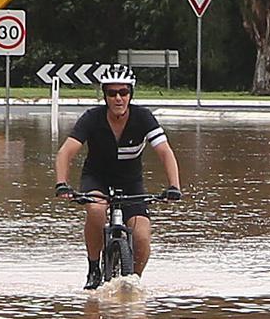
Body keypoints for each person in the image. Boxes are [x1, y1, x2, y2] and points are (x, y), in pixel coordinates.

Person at [54, 64, 183, 289]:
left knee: (142, 236)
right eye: (112, 93)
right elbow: (66, 152)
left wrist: (174, 186)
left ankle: (133, 280)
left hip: (131, 182)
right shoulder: (92, 118)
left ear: (130, 94)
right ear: (104, 96)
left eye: (123, 92)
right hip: (97, 177)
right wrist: (62, 184)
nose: (118, 98)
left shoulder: (143, 118)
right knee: (96, 210)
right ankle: (94, 267)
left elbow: (165, 152)